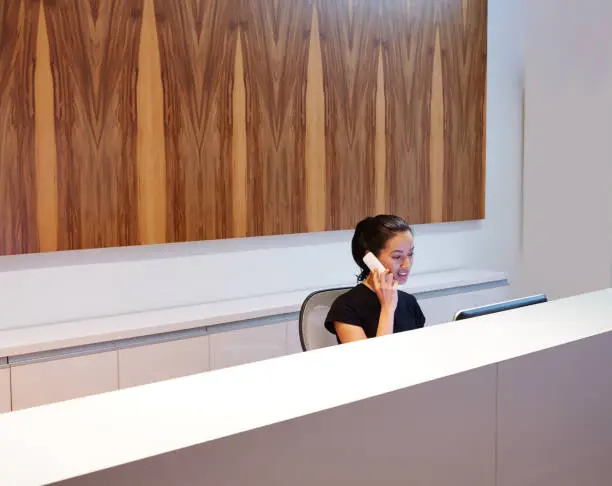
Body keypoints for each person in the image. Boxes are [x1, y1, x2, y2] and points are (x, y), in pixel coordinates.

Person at [324, 214, 426, 344]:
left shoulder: (409, 302)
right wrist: (387, 309)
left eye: (410, 254)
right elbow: (372, 362)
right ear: (371, 259)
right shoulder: (346, 308)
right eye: (397, 257)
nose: (407, 264)